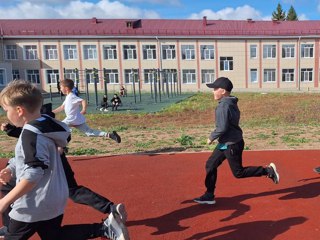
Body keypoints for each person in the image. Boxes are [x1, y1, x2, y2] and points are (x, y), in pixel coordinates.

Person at [0, 80, 129, 239]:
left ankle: (8, 229)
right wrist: (11, 168)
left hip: (33, 204)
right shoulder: (48, 125)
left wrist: (5, 201)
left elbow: (33, 173)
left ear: (19, 110)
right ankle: (104, 228)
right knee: (54, 236)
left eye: (6, 110)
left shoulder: (29, 134)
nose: (6, 114)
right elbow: (30, 155)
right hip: (55, 199)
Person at [193, 77, 280, 205]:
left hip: (232, 144)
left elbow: (222, 127)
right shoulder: (231, 102)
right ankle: (209, 195)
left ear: (223, 91)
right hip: (225, 143)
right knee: (211, 165)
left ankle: (268, 171)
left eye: (215, 89)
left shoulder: (224, 106)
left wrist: (211, 137)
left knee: (238, 173)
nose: (213, 91)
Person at [52, 79, 121, 143]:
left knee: (58, 128)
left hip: (72, 118)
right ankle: (111, 135)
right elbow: (62, 107)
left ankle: (63, 145)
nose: (60, 89)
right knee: (89, 132)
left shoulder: (71, 96)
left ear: (66, 88)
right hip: (77, 119)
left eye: (61, 87)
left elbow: (83, 101)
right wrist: (50, 112)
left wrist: (84, 109)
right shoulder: (68, 97)